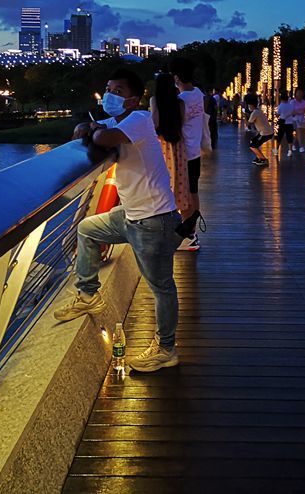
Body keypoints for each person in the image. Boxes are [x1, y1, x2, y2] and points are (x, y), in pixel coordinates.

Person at [53, 68, 181, 372]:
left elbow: (104, 136)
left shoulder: (138, 119)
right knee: (87, 229)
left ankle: (166, 349)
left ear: (134, 99)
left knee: (161, 286)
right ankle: (88, 294)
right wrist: (88, 126)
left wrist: (94, 130)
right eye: (108, 89)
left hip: (154, 220)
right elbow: (81, 131)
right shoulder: (119, 121)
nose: (110, 95)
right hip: (132, 215)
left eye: (118, 91)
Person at [171, 57, 205, 249]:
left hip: (184, 153)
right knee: (193, 191)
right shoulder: (198, 93)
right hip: (195, 151)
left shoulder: (182, 100)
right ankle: (192, 231)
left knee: (183, 193)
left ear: (176, 78)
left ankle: (188, 235)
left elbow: (177, 124)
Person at [150, 72, 194, 220]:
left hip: (161, 143)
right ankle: (182, 218)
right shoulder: (180, 102)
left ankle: (164, 212)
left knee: (162, 179)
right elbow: (182, 122)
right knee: (180, 180)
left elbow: (155, 123)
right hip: (178, 144)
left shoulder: (155, 100)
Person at [245, 95, 273, 165]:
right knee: (254, 141)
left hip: (265, 133)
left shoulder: (254, 113)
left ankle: (263, 159)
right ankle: (259, 157)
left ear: (251, 105)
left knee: (253, 146)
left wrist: (244, 116)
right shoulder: (258, 111)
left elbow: (248, 124)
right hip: (265, 132)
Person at [276, 90, 294, 157]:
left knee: (279, 136)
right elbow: (293, 113)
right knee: (289, 137)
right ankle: (290, 151)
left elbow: (278, 114)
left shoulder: (281, 106)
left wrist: (276, 114)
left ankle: (276, 150)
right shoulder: (290, 105)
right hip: (290, 123)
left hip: (282, 123)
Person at [291, 88, 305, 153]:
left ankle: (293, 144)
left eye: (301, 93)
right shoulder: (292, 102)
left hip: (302, 118)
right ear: (295, 94)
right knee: (298, 130)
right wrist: (296, 113)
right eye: (298, 93)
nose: (299, 94)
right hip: (294, 119)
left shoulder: (303, 102)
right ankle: (301, 146)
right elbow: (291, 111)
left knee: (300, 133)